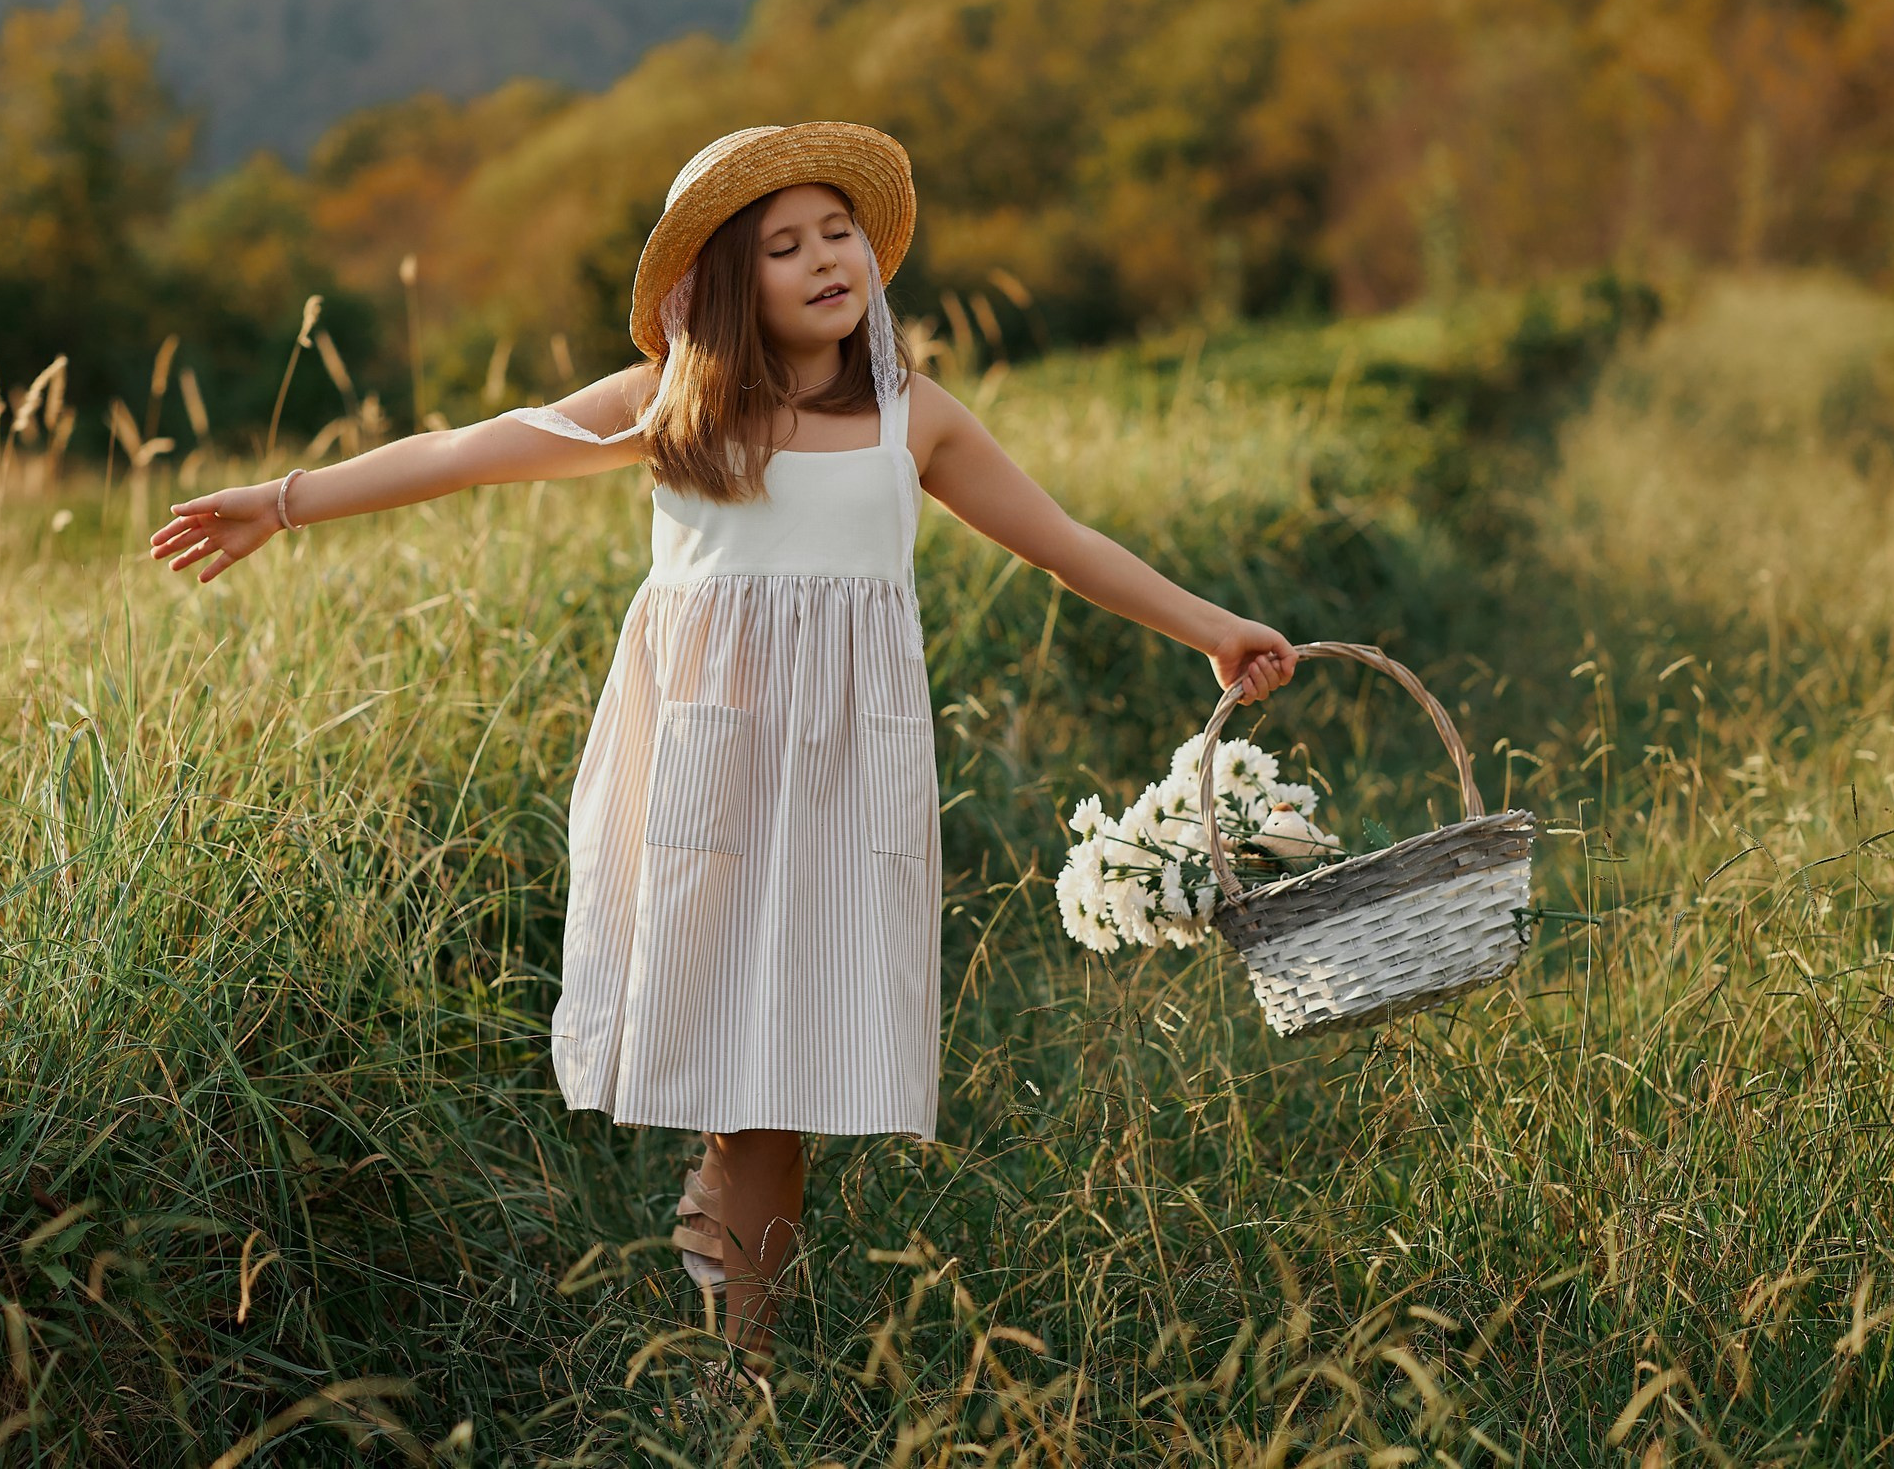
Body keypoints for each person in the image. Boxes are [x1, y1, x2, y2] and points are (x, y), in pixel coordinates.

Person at [149, 122, 1297, 1385]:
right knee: (741, 1058)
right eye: (782, 246)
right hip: (705, 759)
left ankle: (735, 1336)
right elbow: (471, 451)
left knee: (792, 1056)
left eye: (838, 233)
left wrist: (1209, 629)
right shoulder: (673, 404)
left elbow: (1062, 540)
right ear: (723, 285)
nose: (823, 260)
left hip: (848, 767)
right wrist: (288, 497)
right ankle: (738, 1357)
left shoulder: (913, 420)